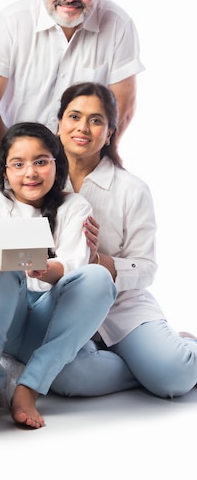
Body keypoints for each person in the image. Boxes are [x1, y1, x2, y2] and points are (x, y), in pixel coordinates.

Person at [0, 122, 116, 431]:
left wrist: (47, 269)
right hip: (5, 323)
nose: (30, 173)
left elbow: (76, 269)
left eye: (41, 162)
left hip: (49, 323)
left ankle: (30, 386)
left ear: (56, 163)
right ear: (4, 171)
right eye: (18, 164)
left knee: (98, 277)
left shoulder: (74, 206)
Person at [49, 82, 197, 398]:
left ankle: (173, 355)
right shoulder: (37, 182)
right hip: (66, 307)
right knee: (64, 377)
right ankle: (146, 366)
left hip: (122, 306)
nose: (83, 128)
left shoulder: (132, 189)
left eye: (96, 120)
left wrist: (100, 262)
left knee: (176, 375)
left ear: (111, 132)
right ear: (59, 123)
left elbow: (146, 268)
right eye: (74, 116)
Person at [0, 0, 144, 161]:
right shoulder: (10, 23)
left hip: (84, 162)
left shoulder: (119, 25)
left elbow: (123, 106)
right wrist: (9, 165)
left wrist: (105, 156)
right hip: (15, 157)